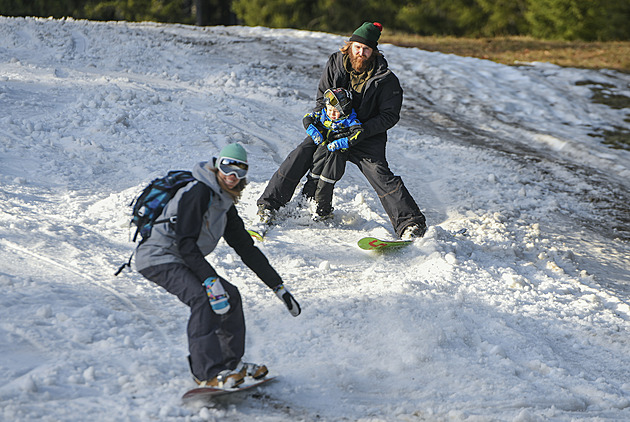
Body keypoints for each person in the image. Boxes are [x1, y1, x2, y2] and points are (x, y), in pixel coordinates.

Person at [135, 143, 301, 388]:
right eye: (227, 168)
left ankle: (230, 365)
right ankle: (206, 373)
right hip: (158, 257)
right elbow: (186, 244)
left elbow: (246, 248)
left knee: (230, 296)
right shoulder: (199, 192)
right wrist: (210, 280)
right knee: (202, 298)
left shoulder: (223, 203)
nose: (232, 176)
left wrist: (278, 287)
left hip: (181, 258)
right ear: (216, 166)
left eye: (240, 171)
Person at [257, 21, 427, 239]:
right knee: (301, 154)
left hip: (365, 133)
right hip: (330, 127)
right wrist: (318, 122)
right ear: (350, 45)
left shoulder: (386, 79)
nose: (361, 53)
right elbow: (322, 96)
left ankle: (411, 223)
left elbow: (389, 116)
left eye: (366, 49)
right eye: (357, 47)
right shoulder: (336, 62)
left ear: (373, 51)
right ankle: (270, 205)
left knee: (380, 173)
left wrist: (361, 132)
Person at [303, 87, 363, 220]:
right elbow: (307, 118)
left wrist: (342, 143)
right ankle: (304, 203)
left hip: (337, 155)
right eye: (330, 110)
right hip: (322, 149)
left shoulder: (349, 119)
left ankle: (323, 211)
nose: (332, 114)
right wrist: (313, 130)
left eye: (336, 112)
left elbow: (358, 133)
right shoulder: (323, 113)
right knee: (314, 176)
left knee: (326, 181)